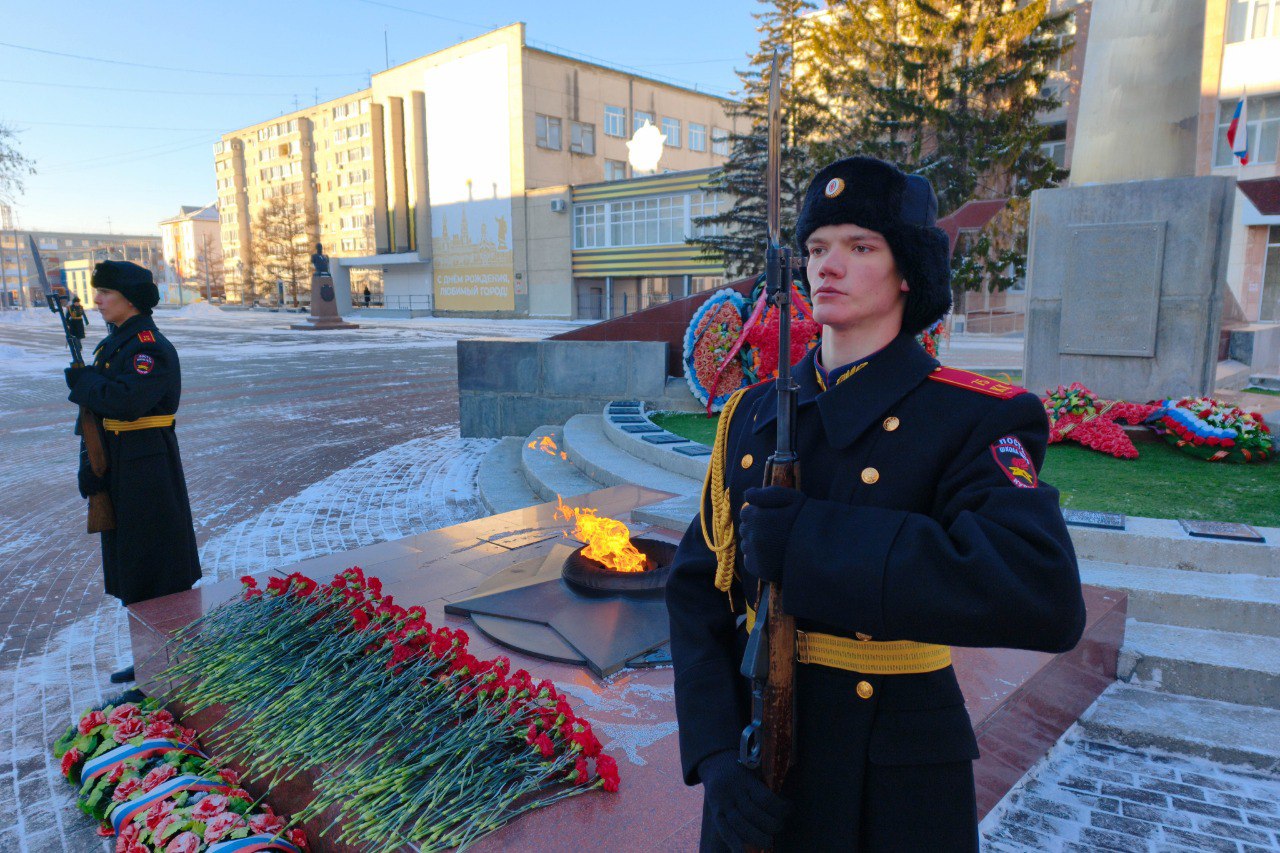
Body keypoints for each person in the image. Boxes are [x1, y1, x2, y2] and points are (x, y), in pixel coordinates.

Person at [666, 156, 1085, 852]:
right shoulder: (750, 415)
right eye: (819, 247)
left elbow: (1041, 589)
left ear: (907, 271)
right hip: (753, 767)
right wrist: (713, 756)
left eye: (861, 246)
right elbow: (694, 592)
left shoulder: (971, 417)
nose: (829, 265)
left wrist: (811, 544)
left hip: (890, 785)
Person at [64, 261, 202, 685]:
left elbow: (126, 403)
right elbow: (97, 415)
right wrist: (92, 466)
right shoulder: (116, 343)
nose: (98, 301)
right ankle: (150, 656)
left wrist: (84, 382)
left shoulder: (147, 347)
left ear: (130, 300)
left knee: (155, 561)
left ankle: (172, 662)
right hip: (122, 460)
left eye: (105, 293)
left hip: (146, 464)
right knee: (132, 564)